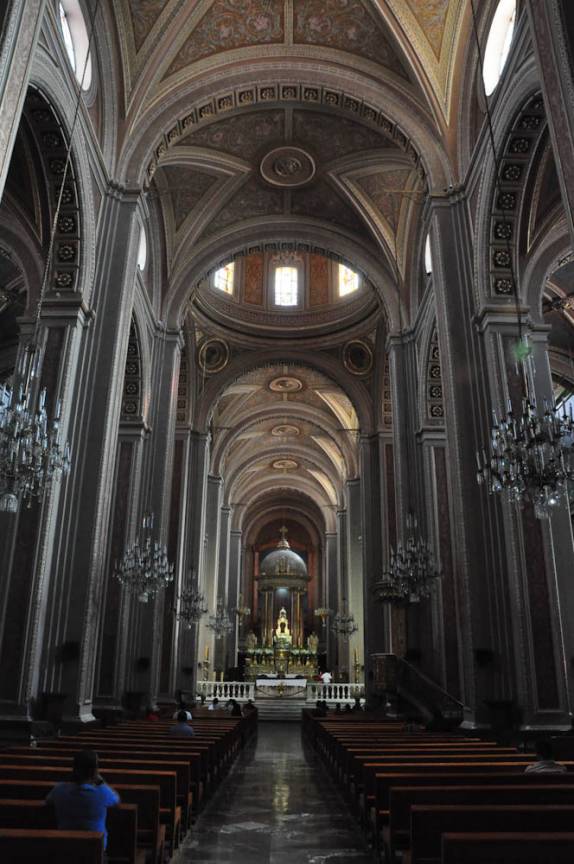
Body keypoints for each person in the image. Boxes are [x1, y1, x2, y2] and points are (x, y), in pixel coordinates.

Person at [46, 750, 119, 851]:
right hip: (95, 849)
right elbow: (116, 799)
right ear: (95, 771)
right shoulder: (102, 793)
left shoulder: (59, 790)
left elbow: (48, 800)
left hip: (65, 848)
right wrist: (101, 782)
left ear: (74, 769)